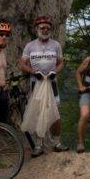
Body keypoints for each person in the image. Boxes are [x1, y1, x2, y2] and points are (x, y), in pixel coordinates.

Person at [19, 14, 65, 154]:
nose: (45, 30)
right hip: (36, 83)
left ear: (50, 29)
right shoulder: (30, 46)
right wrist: (33, 71)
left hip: (51, 82)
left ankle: (57, 143)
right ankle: (38, 145)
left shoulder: (56, 45)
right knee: (38, 113)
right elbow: (22, 64)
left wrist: (55, 72)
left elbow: (61, 62)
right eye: (42, 28)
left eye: (47, 28)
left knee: (55, 113)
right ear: (36, 29)